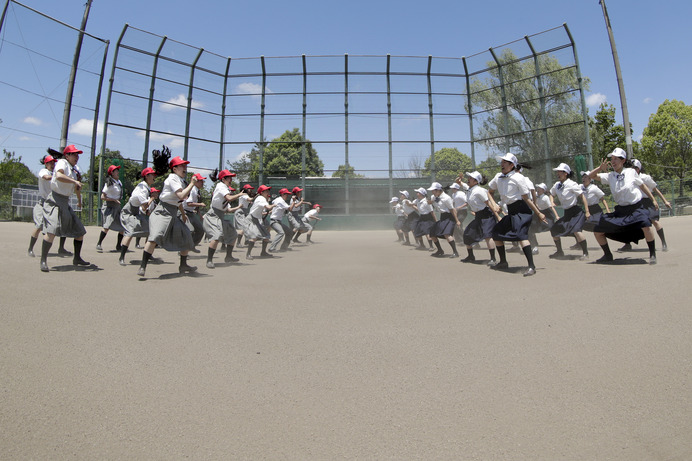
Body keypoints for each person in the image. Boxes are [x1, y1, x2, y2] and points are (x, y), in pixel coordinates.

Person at [586, 148, 658, 264]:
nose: (613, 161)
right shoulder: (610, 176)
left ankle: (653, 254)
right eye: (611, 159)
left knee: (646, 225)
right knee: (598, 230)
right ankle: (608, 255)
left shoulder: (631, 172)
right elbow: (591, 176)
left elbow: (643, 186)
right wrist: (600, 168)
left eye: (616, 159)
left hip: (636, 208)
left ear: (623, 160)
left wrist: (653, 199)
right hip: (621, 211)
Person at [487, 153, 547, 276]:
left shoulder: (519, 178)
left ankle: (531, 267)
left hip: (522, 210)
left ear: (512, 165)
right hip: (510, 211)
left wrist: (538, 213)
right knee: (496, 233)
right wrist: (494, 204)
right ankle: (503, 262)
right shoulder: (498, 177)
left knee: (521, 236)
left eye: (505, 162)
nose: (502, 164)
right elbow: (489, 192)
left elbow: (526, 198)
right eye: (502, 162)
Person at [137, 156, 198, 277]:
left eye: (185, 165)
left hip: (174, 212)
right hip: (163, 211)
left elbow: (178, 201)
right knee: (155, 237)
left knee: (187, 236)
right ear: (174, 169)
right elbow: (181, 195)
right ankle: (142, 266)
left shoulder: (180, 180)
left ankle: (183, 265)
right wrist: (192, 184)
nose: (185, 167)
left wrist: (183, 214)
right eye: (182, 165)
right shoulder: (172, 178)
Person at [39, 145, 90, 272]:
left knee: (80, 231)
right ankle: (43, 260)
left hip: (65, 202)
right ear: (67, 155)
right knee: (51, 230)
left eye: (77, 155)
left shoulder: (75, 170)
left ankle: (77, 258)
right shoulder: (62, 162)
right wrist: (74, 182)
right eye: (74, 154)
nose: (76, 157)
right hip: (54, 200)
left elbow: (77, 187)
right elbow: (59, 176)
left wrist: (79, 201)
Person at [617, 159, 671, 252]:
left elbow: (655, 189)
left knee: (655, 222)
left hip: (647, 201)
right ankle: (627, 244)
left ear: (638, 169)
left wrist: (665, 201)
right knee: (629, 223)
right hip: (636, 202)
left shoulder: (645, 177)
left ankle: (664, 243)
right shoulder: (627, 177)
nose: (630, 170)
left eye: (633, 168)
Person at [28, 154, 68, 258]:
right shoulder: (44, 171)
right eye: (50, 162)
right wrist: (57, 176)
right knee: (40, 225)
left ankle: (61, 248)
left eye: (53, 162)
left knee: (62, 224)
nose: (52, 164)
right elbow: (46, 177)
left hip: (54, 203)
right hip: (43, 203)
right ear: (45, 164)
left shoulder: (56, 172)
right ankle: (30, 248)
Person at [548, 163, 590, 260]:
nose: (558, 173)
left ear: (566, 173)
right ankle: (559, 251)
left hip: (576, 212)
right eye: (557, 172)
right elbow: (551, 193)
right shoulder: (557, 185)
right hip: (567, 213)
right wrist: (551, 201)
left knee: (577, 231)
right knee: (554, 229)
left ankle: (585, 253)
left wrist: (587, 211)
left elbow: (582, 196)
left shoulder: (572, 184)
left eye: (560, 172)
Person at [203, 169, 244, 268]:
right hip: (213, 215)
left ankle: (228, 257)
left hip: (220, 215)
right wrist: (239, 194)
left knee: (233, 234)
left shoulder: (226, 188)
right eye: (229, 177)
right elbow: (229, 198)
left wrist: (237, 208)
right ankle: (209, 260)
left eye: (231, 177)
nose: (231, 179)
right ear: (223, 179)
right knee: (217, 236)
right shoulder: (221, 186)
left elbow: (227, 210)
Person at [117, 167, 157, 266]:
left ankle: (148, 253)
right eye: (152, 174)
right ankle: (121, 257)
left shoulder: (145, 187)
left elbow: (143, 207)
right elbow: (144, 207)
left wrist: (147, 210)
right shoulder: (143, 189)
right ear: (147, 176)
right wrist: (152, 198)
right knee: (129, 233)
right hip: (129, 211)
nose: (154, 176)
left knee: (151, 231)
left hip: (135, 212)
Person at [457, 171, 498, 264]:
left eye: (471, 178)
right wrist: (459, 179)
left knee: (488, 236)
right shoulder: (469, 188)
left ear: (476, 181)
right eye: (469, 177)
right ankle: (471, 256)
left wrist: (497, 216)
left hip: (487, 215)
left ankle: (493, 259)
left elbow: (489, 204)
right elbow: (458, 182)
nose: (469, 179)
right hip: (478, 216)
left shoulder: (479, 190)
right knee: (467, 234)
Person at [96, 164, 125, 252]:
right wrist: (113, 200)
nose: (117, 172)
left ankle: (118, 246)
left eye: (117, 170)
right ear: (112, 173)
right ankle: (99, 244)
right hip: (109, 206)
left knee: (122, 227)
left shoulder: (119, 182)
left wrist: (117, 201)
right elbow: (102, 197)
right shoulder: (109, 183)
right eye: (116, 170)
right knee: (107, 226)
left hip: (117, 207)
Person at [427, 182, 460, 258]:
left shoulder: (446, 198)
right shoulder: (433, 197)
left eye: (433, 190)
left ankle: (455, 252)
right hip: (442, 217)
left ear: (438, 190)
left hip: (449, 217)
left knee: (447, 234)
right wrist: (431, 202)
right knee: (432, 234)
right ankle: (440, 250)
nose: (432, 192)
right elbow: (433, 202)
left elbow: (452, 210)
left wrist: (457, 220)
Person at [245, 185, 276, 259]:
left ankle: (263, 252)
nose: (267, 192)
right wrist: (275, 205)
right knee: (254, 237)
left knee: (266, 236)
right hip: (252, 219)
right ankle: (248, 254)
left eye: (268, 190)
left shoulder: (262, 198)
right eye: (266, 191)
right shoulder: (261, 198)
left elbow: (264, 209)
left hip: (257, 219)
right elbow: (268, 207)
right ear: (261, 192)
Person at [528, 183, 559, 255]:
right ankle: (534, 245)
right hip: (537, 213)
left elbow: (551, 207)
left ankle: (557, 243)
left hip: (547, 214)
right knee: (531, 228)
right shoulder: (535, 195)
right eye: (537, 188)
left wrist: (556, 215)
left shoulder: (545, 198)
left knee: (551, 227)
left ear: (543, 190)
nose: (538, 189)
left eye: (540, 188)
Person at [183, 172, 206, 251]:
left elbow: (194, 206)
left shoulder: (197, 190)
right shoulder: (192, 189)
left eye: (202, 181)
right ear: (195, 181)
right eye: (200, 181)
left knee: (200, 230)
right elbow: (189, 203)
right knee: (190, 230)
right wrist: (200, 204)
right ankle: (183, 249)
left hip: (191, 212)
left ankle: (191, 246)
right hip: (184, 212)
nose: (202, 183)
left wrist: (199, 215)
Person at [268, 188, 295, 252]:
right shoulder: (281, 201)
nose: (287, 196)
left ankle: (284, 247)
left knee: (289, 232)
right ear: (282, 194)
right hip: (274, 221)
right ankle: (271, 248)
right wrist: (294, 201)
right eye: (286, 194)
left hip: (278, 221)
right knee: (281, 233)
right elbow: (290, 209)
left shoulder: (277, 199)